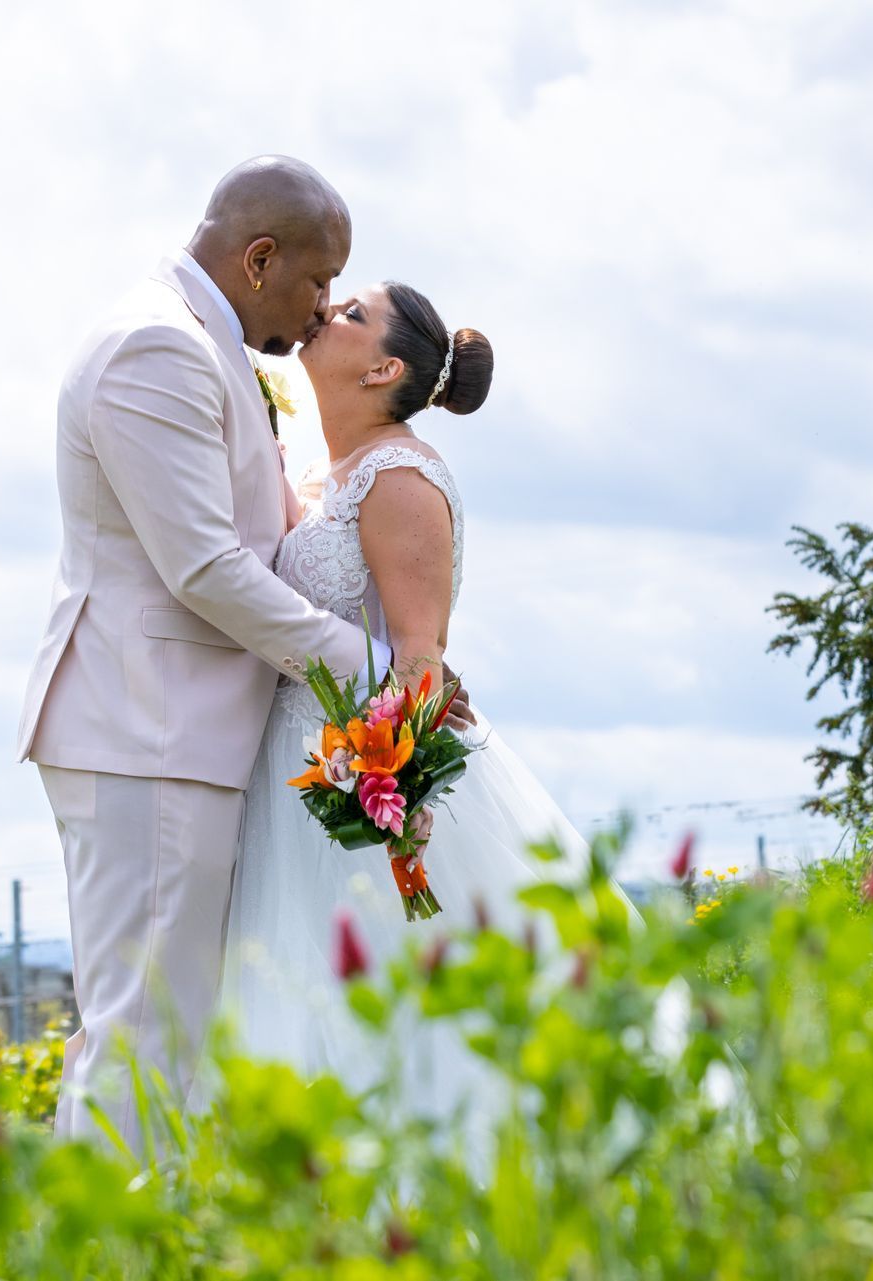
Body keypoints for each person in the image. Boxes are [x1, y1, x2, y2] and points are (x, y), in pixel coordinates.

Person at [16, 157, 470, 1148]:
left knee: (167, 1041)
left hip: (177, 737)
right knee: (143, 1039)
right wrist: (366, 667)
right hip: (146, 730)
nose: (319, 311)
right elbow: (206, 569)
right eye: (317, 282)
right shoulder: (157, 348)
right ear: (261, 258)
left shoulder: (205, 349)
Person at [217, 280, 625, 1159]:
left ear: (386, 368)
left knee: (399, 1027)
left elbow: (418, 659)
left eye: (352, 313)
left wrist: (380, 794)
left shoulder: (400, 477)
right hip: (300, 770)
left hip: (368, 788)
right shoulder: (336, 473)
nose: (327, 310)